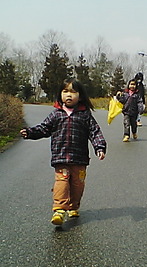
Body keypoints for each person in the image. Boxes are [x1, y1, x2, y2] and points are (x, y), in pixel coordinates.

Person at [20, 78, 107, 225]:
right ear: (60, 94)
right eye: (65, 91)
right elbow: (44, 128)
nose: (69, 95)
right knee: (62, 180)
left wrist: (100, 147)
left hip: (79, 158)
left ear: (80, 96)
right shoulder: (56, 114)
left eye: (73, 92)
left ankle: (74, 206)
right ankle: (59, 209)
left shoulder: (84, 115)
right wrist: (30, 132)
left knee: (77, 185)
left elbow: (95, 132)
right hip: (60, 156)